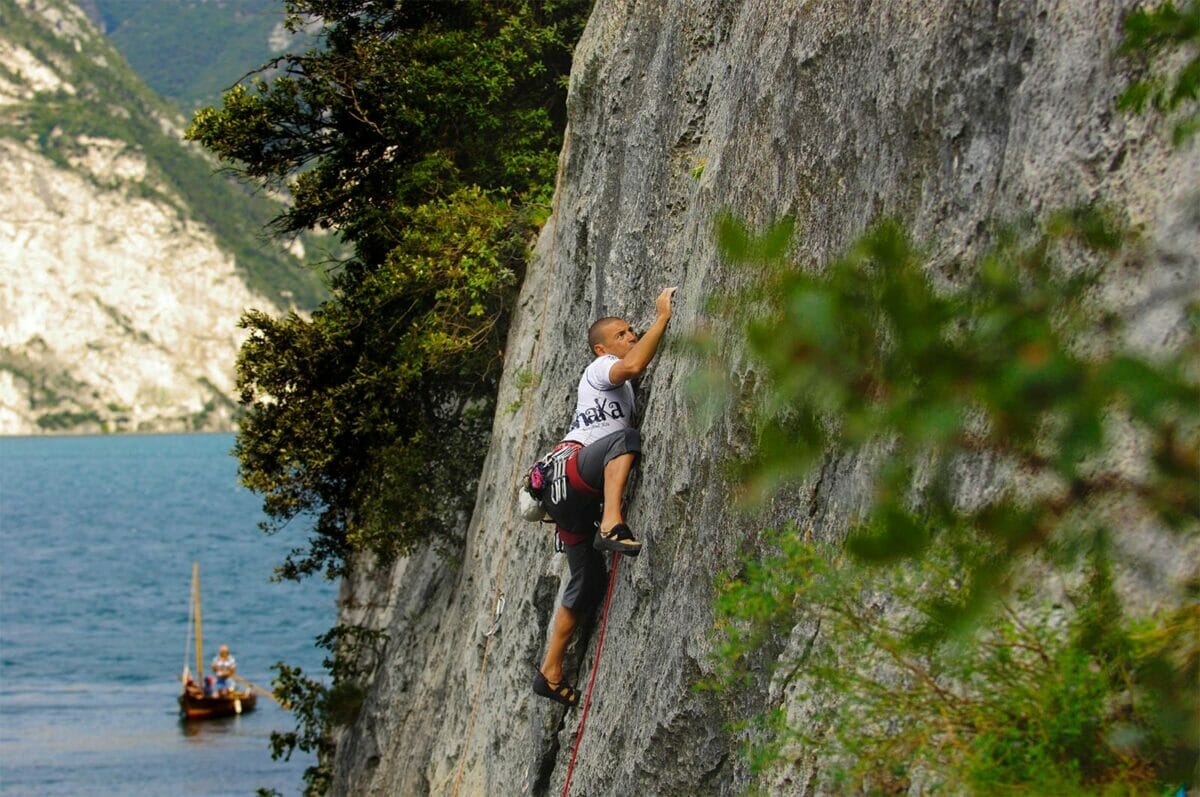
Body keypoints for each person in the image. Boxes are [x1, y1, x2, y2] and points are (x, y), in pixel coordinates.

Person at [533, 285, 677, 707]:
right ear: (601, 348)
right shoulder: (600, 369)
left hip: (567, 498)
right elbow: (632, 366)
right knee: (623, 439)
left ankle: (550, 671)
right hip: (572, 472)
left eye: (633, 331)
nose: (631, 336)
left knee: (587, 580)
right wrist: (662, 317)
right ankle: (612, 522)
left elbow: (634, 367)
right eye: (622, 333)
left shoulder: (615, 383)